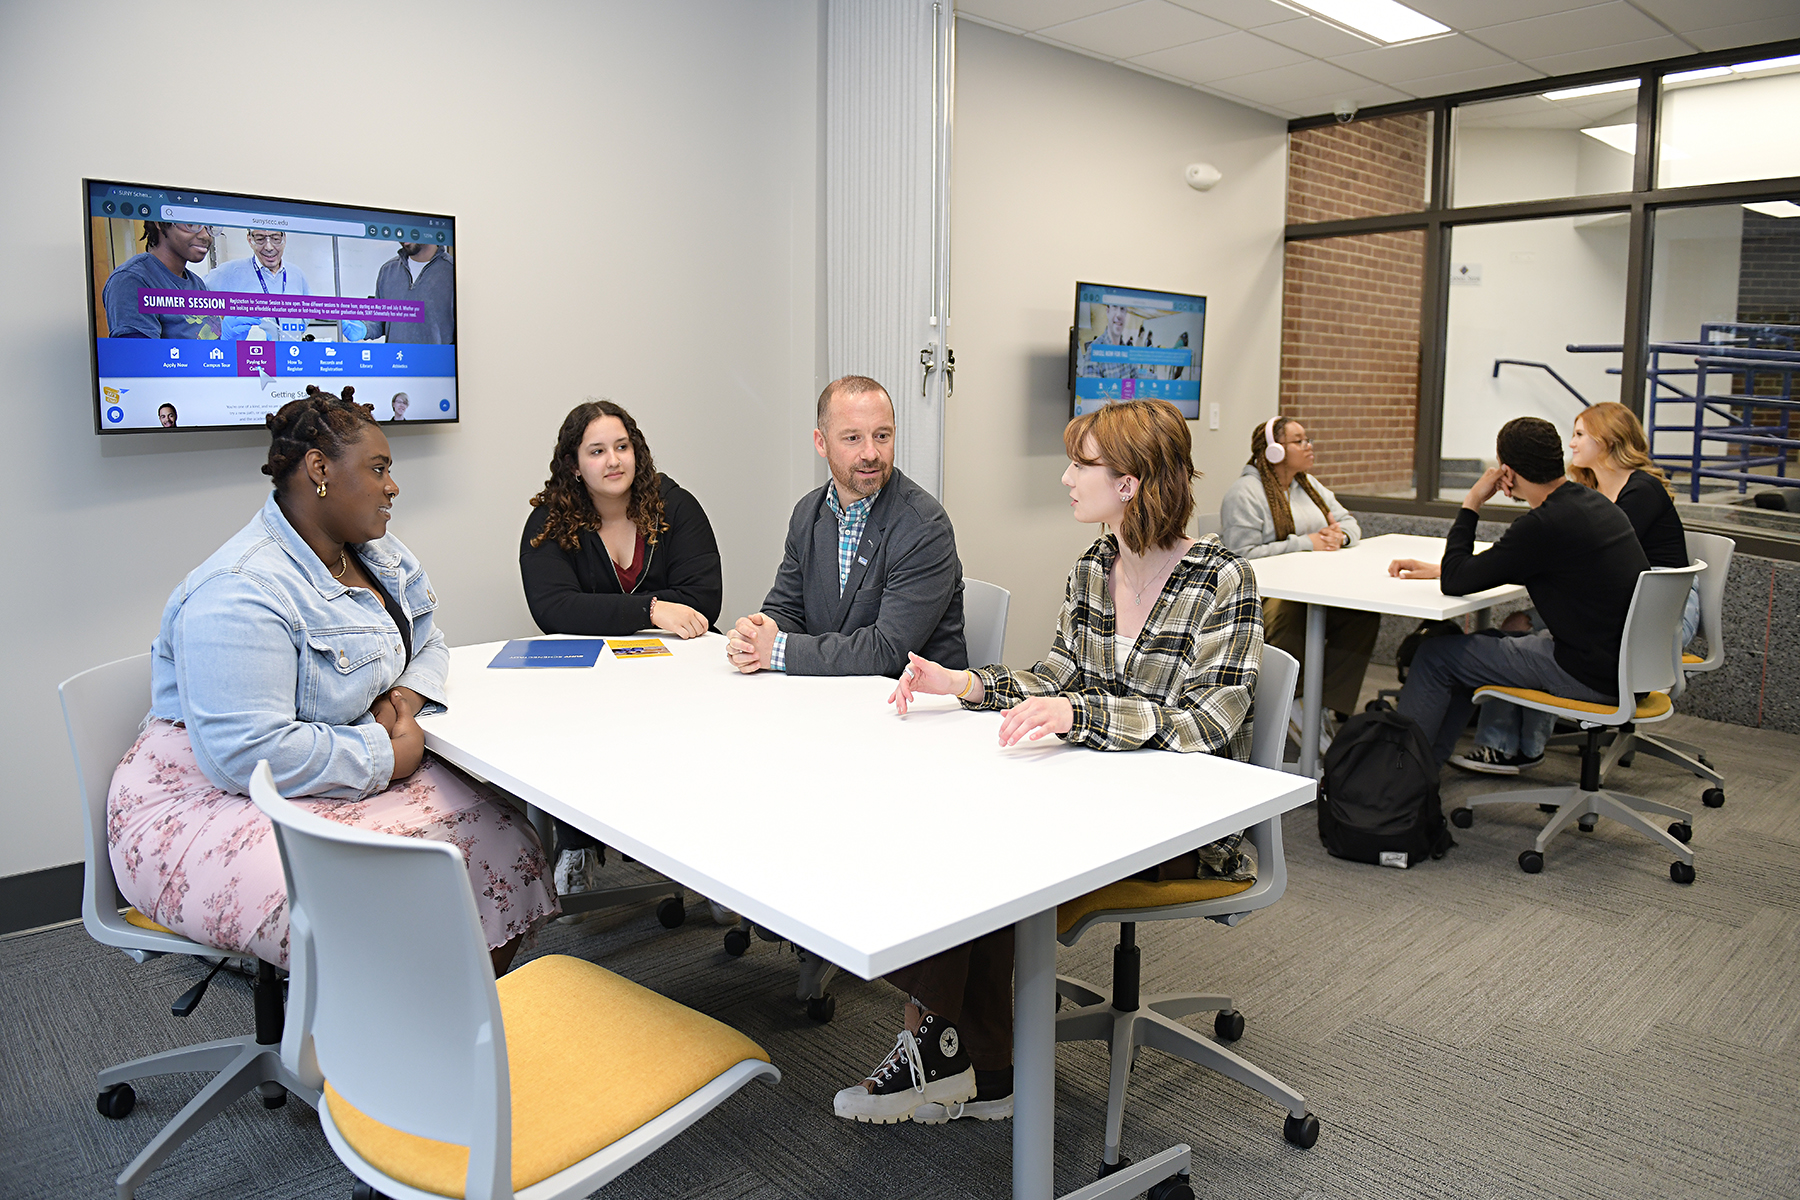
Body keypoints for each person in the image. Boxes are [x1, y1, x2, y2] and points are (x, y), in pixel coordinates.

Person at [838, 398, 1264, 1126]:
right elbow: (1058, 676)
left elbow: (1210, 727)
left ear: (1129, 483)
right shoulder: (1097, 564)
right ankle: (969, 1060)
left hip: (1181, 825)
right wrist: (966, 684)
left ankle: (955, 1055)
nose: (1067, 477)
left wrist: (1083, 715)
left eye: (1082, 464)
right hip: (1096, 794)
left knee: (1000, 850)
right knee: (965, 816)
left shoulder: (1223, 580)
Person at [107, 385, 556, 975]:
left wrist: (402, 697)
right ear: (319, 470)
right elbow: (245, 756)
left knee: (500, 835)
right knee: (375, 886)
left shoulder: (372, 551)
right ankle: (380, 1039)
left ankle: (449, 1033)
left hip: (323, 758)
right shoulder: (239, 590)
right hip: (206, 798)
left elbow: (429, 641)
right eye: (378, 468)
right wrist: (388, 753)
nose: (392, 486)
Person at [521, 399, 723, 895]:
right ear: (573, 464)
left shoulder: (675, 506)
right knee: (572, 728)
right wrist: (650, 610)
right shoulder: (550, 520)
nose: (613, 461)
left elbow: (703, 599)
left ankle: (712, 852)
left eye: (622, 447)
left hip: (676, 668)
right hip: (592, 677)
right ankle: (576, 842)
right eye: (596, 451)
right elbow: (554, 609)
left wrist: (612, 613)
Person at [1453, 402, 1701, 774]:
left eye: (1581, 434)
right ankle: (1512, 745)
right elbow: (1562, 560)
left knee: (1533, 630)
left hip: (1664, 610)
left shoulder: (1641, 491)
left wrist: (1480, 566)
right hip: (1623, 605)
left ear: (1609, 440)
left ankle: (1514, 746)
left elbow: (1575, 562)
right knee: (1520, 622)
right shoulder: (1589, 491)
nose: (1570, 444)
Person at [1389, 416, 1650, 770]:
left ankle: (1401, 776)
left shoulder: (1543, 526)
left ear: (1506, 473)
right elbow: (1495, 565)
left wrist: (1472, 502)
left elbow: (1455, 581)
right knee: (1471, 648)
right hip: (1631, 668)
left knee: (1436, 655)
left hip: (1587, 673)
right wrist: (1445, 568)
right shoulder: (1593, 503)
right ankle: (1424, 773)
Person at [726, 375, 965, 677]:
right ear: (821, 443)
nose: (870, 453)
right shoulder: (808, 514)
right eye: (853, 438)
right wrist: (756, 636)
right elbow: (787, 610)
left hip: (912, 706)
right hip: (836, 696)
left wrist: (776, 650)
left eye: (882, 436)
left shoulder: (924, 528)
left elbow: (887, 651)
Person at [1220, 416, 1377, 728]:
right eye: (1299, 441)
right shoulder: (1246, 493)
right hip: (1265, 595)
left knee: (1362, 617)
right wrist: (1306, 542)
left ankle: (1322, 702)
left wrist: (1340, 537)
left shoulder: (1308, 485)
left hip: (1312, 586)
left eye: (1308, 440)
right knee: (1292, 611)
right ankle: (1290, 697)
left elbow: (1348, 522)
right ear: (1275, 451)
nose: (1309, 446)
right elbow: (1242, 556)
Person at [101, 221, 218, 339]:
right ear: (160, 223)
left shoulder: (197, 283)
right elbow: (138, 354)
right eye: (191, 224)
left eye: (210, 227)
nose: (205, 235)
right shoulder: (132, 280)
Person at [207, 229, 312, 342]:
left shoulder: (297, 275)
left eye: (275, 239)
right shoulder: (229, 272)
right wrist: (220, 333)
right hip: (251, 355)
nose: (269, 247)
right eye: (260, 239)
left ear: (284, 239)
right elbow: (194, 300)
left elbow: (306, 316)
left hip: (290, 354)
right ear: (250, 240)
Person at [359, 241, 455, 344]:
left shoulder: (453, 272)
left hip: (437, 359)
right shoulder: (388, 271)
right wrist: (364, 328)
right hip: (396, 358)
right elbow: (379, 322)